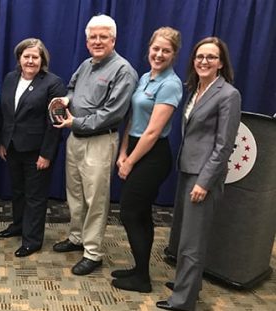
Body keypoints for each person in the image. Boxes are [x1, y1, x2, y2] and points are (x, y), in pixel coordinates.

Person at [156, 37, 241, 311]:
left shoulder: (228, 94)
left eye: (211, 57)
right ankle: (187, 283)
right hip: (187, 170)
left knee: (193, 242)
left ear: (221, 63)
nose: (204, 61)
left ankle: (183, 301)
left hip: (203, 176)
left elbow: (224, 145)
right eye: (200, 56)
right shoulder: (195, 90)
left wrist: (204, 181)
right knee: (183, 236)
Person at [52, 14, 137, 275]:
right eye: (93, 37)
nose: (97, 41)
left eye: (103, 37)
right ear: (87, 41)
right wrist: (66, 100)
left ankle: (93, 252)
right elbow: (72, 87)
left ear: (113, 39)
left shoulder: (124, 70)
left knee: (95, 198)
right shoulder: (86, 64)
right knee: (75, 193)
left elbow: (113, 113)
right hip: (75, 139)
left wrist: (74, 123)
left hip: (100, 141)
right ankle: (77, 237)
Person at [111, 27, 183, 293]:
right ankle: (139, 269)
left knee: (130, 211)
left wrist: (130, 162)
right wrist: (123, 151)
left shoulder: (171, 84)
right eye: (156, 48)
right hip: (136, 149)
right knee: (141, 214)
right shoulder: (145, 77)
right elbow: (134, 119)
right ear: (149, 49)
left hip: (153, 155)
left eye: (166, 50)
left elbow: (152, 131)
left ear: (174, 55)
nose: (159, 54)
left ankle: (142, 279)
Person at [0, 38, 67, 257]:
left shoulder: (53, 83)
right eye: (26, 56)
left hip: (37, 151)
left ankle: (32, 240)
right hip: (13, 146)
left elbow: (55, 122)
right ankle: (18, 225)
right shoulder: (10, 78)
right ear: (19, 58)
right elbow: (3, 113)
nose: (30, 60)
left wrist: (46, 154)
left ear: (42, 59)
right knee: (17, 191)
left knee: (35, 197)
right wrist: (1, 142)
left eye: (35, 57)